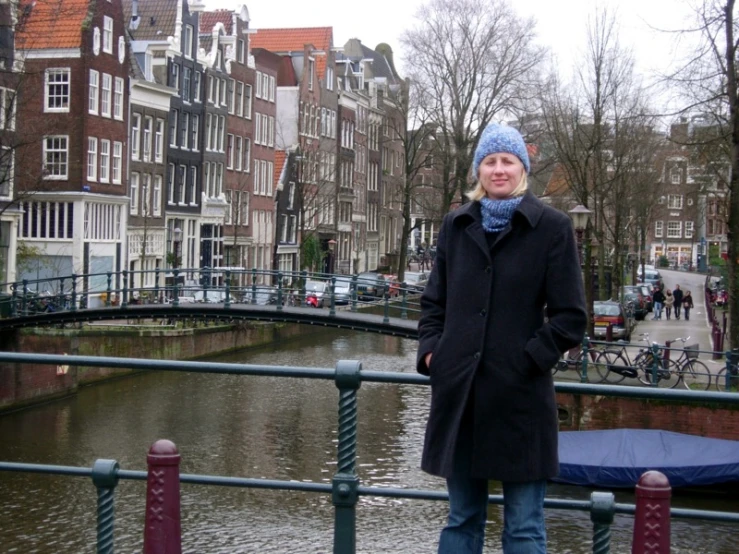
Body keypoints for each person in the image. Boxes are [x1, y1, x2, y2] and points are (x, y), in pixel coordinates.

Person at [416, 123, 587, 554]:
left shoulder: (552, 228)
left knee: (525, 526)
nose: (498, 170)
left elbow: (570, 316)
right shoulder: (456, 225)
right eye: (489, 161)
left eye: (507, 161)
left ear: (522, 168)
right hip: (462, 395)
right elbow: (434, 303)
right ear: (478, 170)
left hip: (521, 399)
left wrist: (528, 360)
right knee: (462, 520)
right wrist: (434, 354)